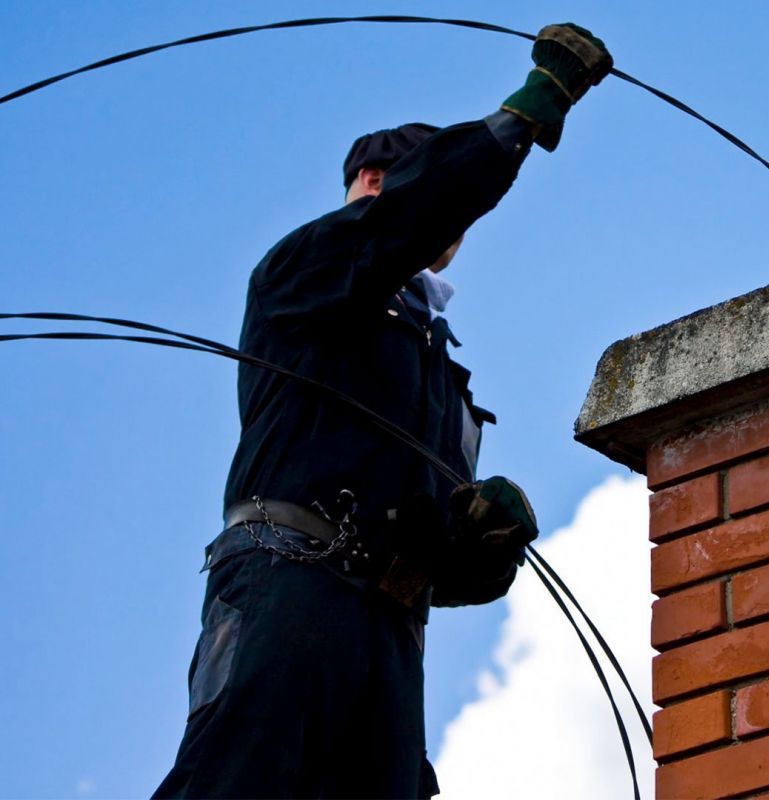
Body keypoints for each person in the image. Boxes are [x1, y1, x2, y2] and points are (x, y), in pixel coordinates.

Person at [154, 24, 612, 799]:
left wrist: (487, 542)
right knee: (238, 780)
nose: (454, 227)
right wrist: (525, 115)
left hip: (388, 639)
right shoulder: (305, 271)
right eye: (439, 197)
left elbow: (444, 570)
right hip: (286, 591)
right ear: (371, 182)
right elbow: (406, 220)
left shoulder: (444, 381)